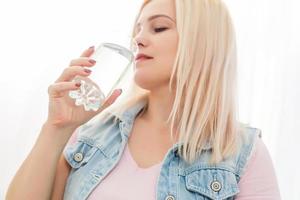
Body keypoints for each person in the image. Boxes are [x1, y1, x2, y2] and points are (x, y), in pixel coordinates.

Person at [6, 0, 281, 199]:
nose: (138, 38)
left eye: (158, 28)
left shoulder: (243, 152)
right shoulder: (91, 137)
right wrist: (56, 128)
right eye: (137, 30)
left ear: (202, 41)